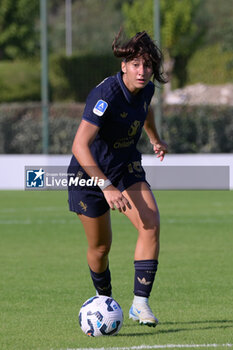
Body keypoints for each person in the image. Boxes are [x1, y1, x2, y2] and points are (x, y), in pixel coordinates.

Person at [67, 30, 168, 327]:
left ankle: (140, 304)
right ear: (124, 65)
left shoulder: (146, 90)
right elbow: (79, 145)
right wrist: (106, 186)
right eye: (136, 64)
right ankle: (104, 301)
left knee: (151, 223)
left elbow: (145, 113)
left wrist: (155, 139)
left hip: (125, 167)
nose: (142, 71)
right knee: (100, 248)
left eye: (148, 65)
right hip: (88, 174)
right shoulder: (106, 94)